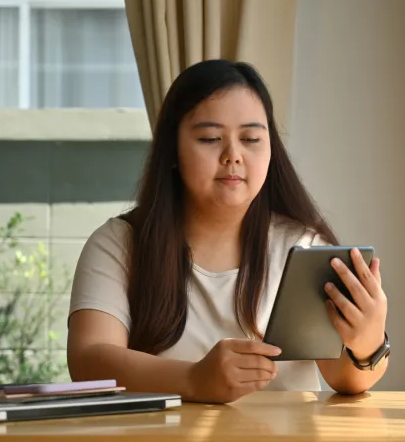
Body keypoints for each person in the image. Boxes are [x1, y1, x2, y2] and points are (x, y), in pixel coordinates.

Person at [67, 59, 388, 404]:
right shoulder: (119, 243)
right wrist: (192, 379)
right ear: (172, 151)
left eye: (251, 138)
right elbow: (88, 361)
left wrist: (367, 341)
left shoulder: (303, 248)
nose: (232, 155)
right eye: (210, 138)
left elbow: (346, 381)